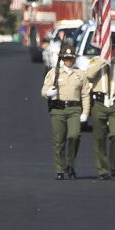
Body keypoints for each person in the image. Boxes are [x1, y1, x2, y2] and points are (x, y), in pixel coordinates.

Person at [41, 43, 91, 180]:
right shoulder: (54, 73)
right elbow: (44, 90)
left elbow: (85, 94)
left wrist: (85, 112)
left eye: (71, 58)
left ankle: (71, 165)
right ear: (62, 59)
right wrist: (49, 93)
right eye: (66, 58)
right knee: (59, 140)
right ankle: (60, 169)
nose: (69, 61)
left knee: (74, 136)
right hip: (58, 109)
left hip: (74, 109)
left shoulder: (80, 74)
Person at [83, 46, 115, 180]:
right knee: (99, 137)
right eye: (108, 49)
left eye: (112, 49)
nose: (110, 51)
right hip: (99, 103)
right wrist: (102, 62)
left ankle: (112, 167)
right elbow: (89, 75)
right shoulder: (95, 61)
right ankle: (102, 170)